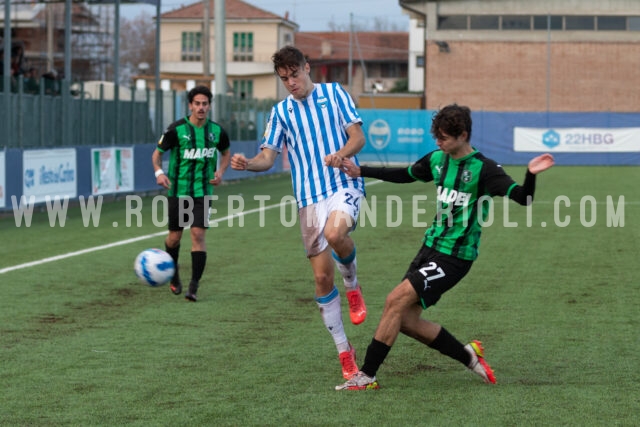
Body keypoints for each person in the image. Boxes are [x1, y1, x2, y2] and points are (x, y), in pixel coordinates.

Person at [334, 104, 555, 390]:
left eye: (444, 138)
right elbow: (406, 174)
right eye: (436, 137)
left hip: (455, 257)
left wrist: (531, 174)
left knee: (394, 301)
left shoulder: (485, 169)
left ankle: (366, 375)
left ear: (462, 135)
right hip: (429, 248)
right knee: (405, 320)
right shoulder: (438, 159)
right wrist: (359, 170)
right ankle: (468, 355)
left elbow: (523, 198)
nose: (438, 143)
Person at [230, 46, 367, 380]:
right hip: (308, 199)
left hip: (342, 185)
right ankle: (344, 352)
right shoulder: (280, 113)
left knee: (337, 235)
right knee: (321, 278)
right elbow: (268, 156)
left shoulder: (334, 93)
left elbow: (358, 137)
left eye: (295, 75)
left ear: (307, 68)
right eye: (284, 79)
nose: (291, 83)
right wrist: (248, 164)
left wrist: (341, 153)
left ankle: (352, 282)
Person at [152, 85, 231, 302]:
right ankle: (173, 272)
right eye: (197, 103)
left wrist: (221, 171)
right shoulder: (176, 130)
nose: (201, 107)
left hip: (202, 192)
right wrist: (159, 173)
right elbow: (156, 155)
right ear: (190, 105)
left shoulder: (216, 131)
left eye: (205, 103)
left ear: (209, 105)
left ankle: (193, 286)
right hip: (178, 192)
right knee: (174, 238)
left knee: (197, 234)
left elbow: (225, 153)